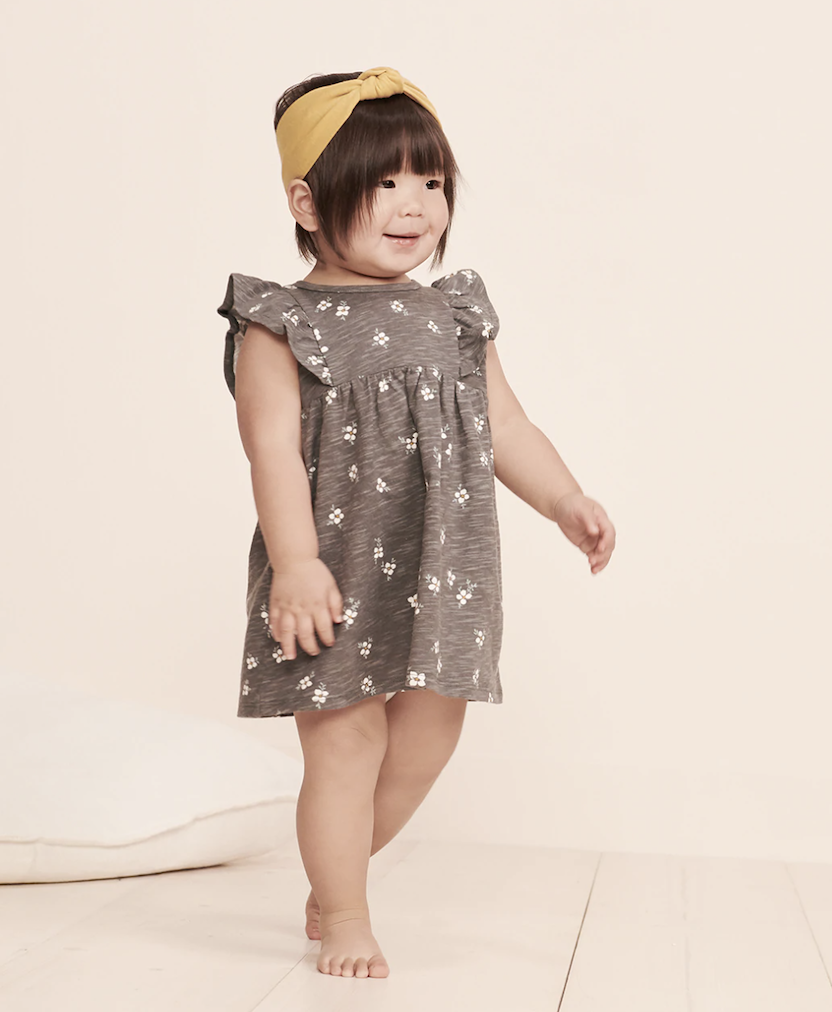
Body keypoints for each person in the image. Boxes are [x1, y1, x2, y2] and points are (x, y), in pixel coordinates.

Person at [217, 67, 616, 979]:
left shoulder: (455, 314)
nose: (415, 205)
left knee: (431, 735)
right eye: (385, 182)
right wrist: (295, 564)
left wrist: (565, 499)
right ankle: (345, 911)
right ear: (308, 203)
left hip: (446, 563)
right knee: (347, 740)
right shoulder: (280, 322)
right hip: (331, 565)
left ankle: (338, 869)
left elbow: (507, 425)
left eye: (431, 182)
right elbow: (271, 451)